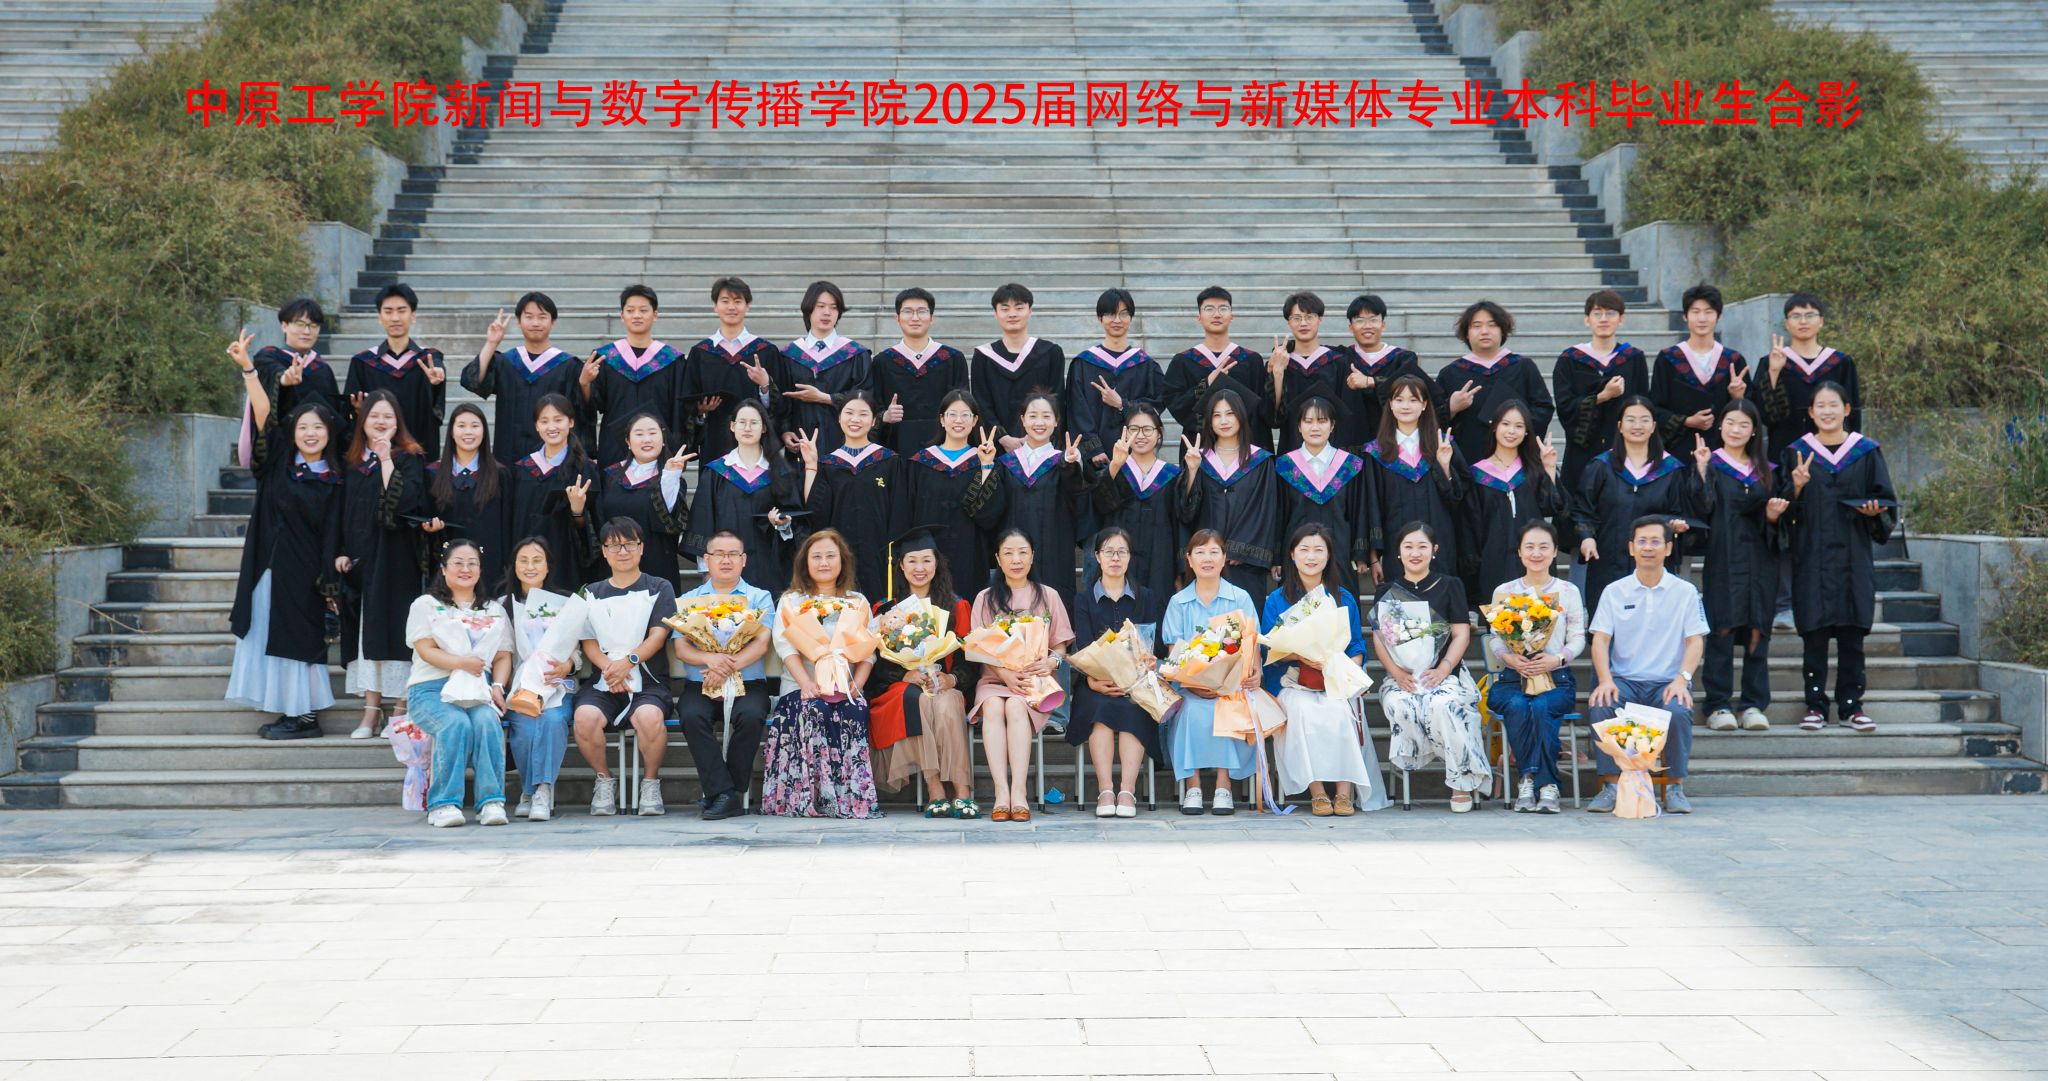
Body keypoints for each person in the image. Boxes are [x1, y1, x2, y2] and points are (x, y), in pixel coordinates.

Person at [223, 330, 344, 741]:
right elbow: (263, 414)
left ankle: (306, 717)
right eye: (303, 426)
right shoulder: (278, 462)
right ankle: (288, 710)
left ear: (329, 433)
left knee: (300, 640)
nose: (310, 433)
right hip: (267, 564)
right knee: (266, 632)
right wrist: (249, 369)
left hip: (307, 572)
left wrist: (330, 579)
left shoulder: (336, 479)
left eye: (318, 427)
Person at [1779, 382, 1895, 733]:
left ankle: (1851, 706)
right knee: (1814, 634)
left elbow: (1885, 499)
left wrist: (1875, 513)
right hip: (1811, 555)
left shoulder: (1866, 451)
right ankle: (1815, 706)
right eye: (1820, 406)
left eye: (1833, 405)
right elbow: (1781, 508)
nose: (1827, 411)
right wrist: (1796, 487)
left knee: (1851, 635)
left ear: (1846, 409)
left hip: (1852, 556)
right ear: (1811, 412)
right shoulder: (1797, 453)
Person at [1586, 516, 1708, 815]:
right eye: (1641, 541)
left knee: (1678, 709)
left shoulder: (1685, 592)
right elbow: (1600, 640)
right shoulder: (1615, 591)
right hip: (1625, 681)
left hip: (1667, 682)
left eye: (1655, 542)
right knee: (1602, 703)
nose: (1648, 548)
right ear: (1631, 548)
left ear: (1668, 548)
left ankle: (1675, 787)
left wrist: (1682, 679)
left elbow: (1695, 641)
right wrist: (1605, 680)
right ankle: (1610, 786)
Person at [1263, 523, 1385, 815]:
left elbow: (1356, 646)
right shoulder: (1277, 600)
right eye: (1304, 549)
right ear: (1292, 554)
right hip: (1293, 680)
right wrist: (1302, 656)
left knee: (1340, 709)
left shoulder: (1342, 598)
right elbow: (1269, 648)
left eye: (1319, 550)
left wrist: (1342, 669)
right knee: (1301, 711)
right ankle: (1317, 792)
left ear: (1329, 556)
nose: (1311, 556)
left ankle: (1344, 792)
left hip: (1333, 678)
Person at [761, 529, 882, 818]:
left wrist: (857, 686)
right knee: (815, 708)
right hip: (800, 687)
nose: (824, 562)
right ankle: (810, 798)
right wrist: (805, 683)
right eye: (816, 556)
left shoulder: (857, 601)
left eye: (830, 556)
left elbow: (869, 650)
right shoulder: (791, 601)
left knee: (855, 710)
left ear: (842, 561)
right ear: (805, 562)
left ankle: (851, 799)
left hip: (845, 686)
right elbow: (785, 647)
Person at [1371, 522, 1488, 812]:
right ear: (1398, 552)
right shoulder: (1387, 591)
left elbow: (1461, 634)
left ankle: (1460, 782)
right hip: (1403, 676)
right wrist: (1397, 673)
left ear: (1434, 550)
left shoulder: (1450, 585)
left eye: (1422, 546)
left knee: (1444, 705)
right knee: (1400, 704)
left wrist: (1443, 669)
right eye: (1408, 546)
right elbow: (1379, 639)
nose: (1415, 553)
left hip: (1445, 674)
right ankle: (1440, 756)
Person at [569, 517, 679, 817]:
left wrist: (628, 663)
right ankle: (604, 780)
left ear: (641, 548)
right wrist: (610, 669)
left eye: (629, 544)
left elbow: (658, 635)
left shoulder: (659, 587)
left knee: (649, 717)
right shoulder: (591, 591)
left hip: (649, 680)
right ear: (604, 552)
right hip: (603, 680)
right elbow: (588, 641)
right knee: (584, 718)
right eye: (614, 546)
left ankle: (650, 783)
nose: (623, 551)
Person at [867, 527, 977, 818]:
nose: (920, 568)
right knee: (920, 700)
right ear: (901, 566)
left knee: (946, 703)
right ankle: (935, 790)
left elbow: (969, 660)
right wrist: (904, 676)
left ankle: (962, 791)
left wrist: (952, 678)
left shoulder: (957, 606)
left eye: (926, 560)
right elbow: (876, 662)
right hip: (902, 688)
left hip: (945, 684)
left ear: (937, 563)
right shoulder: (885, 609)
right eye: (912, 561)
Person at [339, 389, 429, 741]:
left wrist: (386, 458)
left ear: (397, 422)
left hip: (398, 559)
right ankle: (371, 711)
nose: (380, 422)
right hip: (362, 560)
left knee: (398, 633)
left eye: (388, 416)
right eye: (374, 415)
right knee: (368, 634)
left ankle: (400, 710)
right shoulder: (352, 461)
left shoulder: (410, 457)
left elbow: (404, 503)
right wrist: (341, 550)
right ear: (363, 420)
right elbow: (341, 511)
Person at [404, 539, 513, 827]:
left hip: (477, 688)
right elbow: (425, 649)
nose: (466, 569)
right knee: (455, 723)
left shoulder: (493, 609)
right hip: (431, 689)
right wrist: (462, 663)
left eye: (472, 563)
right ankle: (443, 804)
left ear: (480, 569)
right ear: (443, 568)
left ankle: (491, 801)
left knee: (487, 722)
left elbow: (503, 655)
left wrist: (498, 686)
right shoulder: (426, 605)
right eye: (458, 563)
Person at [970, 528, 1076, 821]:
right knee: (994, 706)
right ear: (998, 559)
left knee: (1016, 706)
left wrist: (1052, 663)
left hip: (1034, 683)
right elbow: (976, 647)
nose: (1016, 559)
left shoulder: (1048, 596)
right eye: (1008, 553)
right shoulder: (985, 598)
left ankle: (1018, 793)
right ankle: (1000, 793)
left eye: (1022, 552)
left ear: (1032, 556)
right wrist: (1004, 674)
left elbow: (1061, 646)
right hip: (995, 679)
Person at [672, 530, 777, 821]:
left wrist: (725, 667)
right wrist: (710, 659)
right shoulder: (689, 600)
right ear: (706, 560)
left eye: (733, 554)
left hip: (749, 683)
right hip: (701, 682)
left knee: (752, 715)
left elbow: (762, 643)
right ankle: (726, 794)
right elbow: (681, 648)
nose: (726, 560)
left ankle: (723, 793)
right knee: (691, 714)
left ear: (744, 560)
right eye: (719, 554)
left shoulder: (759, 598)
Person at [1483, 520, 1586, 814]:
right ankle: (1538, 782)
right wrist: (1510, 658)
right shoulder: (1505, 591)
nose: (1536, 553)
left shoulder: (1568, 591)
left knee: (1540, 707)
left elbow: (1578, 637)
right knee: (1518, 704)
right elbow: (1495, 636)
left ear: (1554, 552)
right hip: (1512, 678)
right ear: (1519, 552)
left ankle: (1537, 781)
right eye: (1529, 547)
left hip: (1556, 678)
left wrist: (1558, 658)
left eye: (1543, 547)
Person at [1687, 399, 1778, 732]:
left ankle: (1753, 704)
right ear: (1720, 426)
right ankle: (1718, 705)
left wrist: (1774, 516)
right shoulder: (1710, 463)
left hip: (1761, 561)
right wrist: (1700, 471)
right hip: (1723, 558)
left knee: (1757, 631)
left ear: (1754, 430)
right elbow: (1702, 509)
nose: (1736, 430)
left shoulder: (1768, 470)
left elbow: (1783, 520)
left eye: (1743, 425)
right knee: (1722, 629)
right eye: (1730, 423)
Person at [1160, 530, 1261, 814]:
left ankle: (1222, 786)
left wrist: (1254, 672)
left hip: (1232, 686)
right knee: (1191, 709)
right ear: (1189, 559)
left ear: (1224, 558)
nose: (1207, 559)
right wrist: (1194, 684)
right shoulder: (1178, 603)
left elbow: (1251, 644)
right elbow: (1175, 657)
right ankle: (1193, 786)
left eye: (1214, 552)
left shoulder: (1240, 598)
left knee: (1224, 707)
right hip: (1189, 686)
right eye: (1200, 552)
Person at [1572, 395, 1699, 617]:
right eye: (1630, 419)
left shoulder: (1671, 470)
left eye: (1644, 420)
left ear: (1654, 426)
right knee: (1606, 623)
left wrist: (1675, 526)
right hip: (1607, 560)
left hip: (1653, 562)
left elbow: (1678, 512)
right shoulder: (1601, 466)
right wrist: (1587, 537)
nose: (1637, 425)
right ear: (1620, 426)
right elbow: (1583, 509)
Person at [1068, 527, 1164, 819]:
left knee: (1134, 709)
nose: (1115, 558)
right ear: (1096, 557)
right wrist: (1093, 681)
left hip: (1136, 684)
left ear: (1130, 557)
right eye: (1108, 551)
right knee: (1100, 710)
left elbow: (1150, 644)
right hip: (1095, 684)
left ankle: (1127, 791)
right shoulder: (1084, 600)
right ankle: (1106, 790)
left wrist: (1147, 664)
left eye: (1122, 551)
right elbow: (1084, 646)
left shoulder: (1145, 597)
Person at [1551, 289, 1649, 542]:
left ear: (1621, 319)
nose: (1604, 318)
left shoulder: (1634, 358)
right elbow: (1565, 408)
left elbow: (1643, 406)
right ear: (1587, 319)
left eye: (1611, 313)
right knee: (1580, 521)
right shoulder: (1570, 359)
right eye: (1597, 313)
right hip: (1583, 452)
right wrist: (1603, 396)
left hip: (1625, 453)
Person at [683, 398, 805, 595]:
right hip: (725, 565)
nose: (747, 428)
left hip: (769, 563)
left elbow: (796, 520)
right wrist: (706, 569)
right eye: (742, 422)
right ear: (732, 426)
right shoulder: (716, 472)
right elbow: (702, 520)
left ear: (764, 428)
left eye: (754, 423)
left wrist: (782, 525)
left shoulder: (780, 472)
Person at [804, 391, 909, 603]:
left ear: (874, 420)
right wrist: (811, 465)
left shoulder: (889, 461)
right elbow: (816, 513)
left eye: (863, 414)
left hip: (880, 556)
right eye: (849, 413)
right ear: (839, 417)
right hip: (839, 556)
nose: (855, 419)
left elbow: (900, 513)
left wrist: (894, 555)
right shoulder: (829, 464)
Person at [1176, 388, 1279, 603]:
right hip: (1205, 562)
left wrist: (1239, 549)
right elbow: (1185, 512)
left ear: (1241, 416)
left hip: (1244, 565)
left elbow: (1264, 510)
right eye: (1217, 415)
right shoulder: (1198, 459)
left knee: (1242, 621)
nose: (1223, 421)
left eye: (1230, 413)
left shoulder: (1261, 461)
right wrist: (1192, 471)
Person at [991, 391, 1093, 605]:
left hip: (1054, 552)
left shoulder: (1064, 461)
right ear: (1023, 420)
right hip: (1015, 553)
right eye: (1033, 416)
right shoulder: (1006, 463)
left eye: (1046, 416)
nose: (1039, 422)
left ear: (1056, 421)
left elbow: (1076, 495)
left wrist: (1072, 466)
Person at [501, 537, 576, 822]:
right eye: (523, 561)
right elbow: (501, 653)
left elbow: (578, 650)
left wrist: (568, 664)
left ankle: (542, 790)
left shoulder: (565, 603)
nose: (530, 566)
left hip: (557, 684)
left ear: (548, 567)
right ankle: (528, 790)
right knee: (525, 726)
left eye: (537, 560)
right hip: (521, 686)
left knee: (553, 720)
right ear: (514, 566)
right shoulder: (502, 605)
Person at [1461, 398, 1565, 604]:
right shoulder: (1477, 475)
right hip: (1493, 562)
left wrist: (1550, 469)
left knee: (1539, 619)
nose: (1511, 431)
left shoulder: (1534, 469)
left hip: (1534, 561)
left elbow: (1552, 507)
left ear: (1526, 432)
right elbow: (1470, 528)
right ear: (1494, 427)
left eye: (1519, 426)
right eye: (1506, 424)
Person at [1362, 375, 1465, 581]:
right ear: (1390, 404)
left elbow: (1459, 502)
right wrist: (1373, 558)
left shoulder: (1442, 445)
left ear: (1424, 404)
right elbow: (1372, 507)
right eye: (1399, 400)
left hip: (1440, 544)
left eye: (1413, 400)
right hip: (1394, 547)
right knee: (1400, 598)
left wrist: (1444, 468)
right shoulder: (1377, 452)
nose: (1405, 406)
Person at [905, 390, 1004, 597]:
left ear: (974, 420)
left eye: (965, 415)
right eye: (952, 414)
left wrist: (986, 467)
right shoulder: (921, 462)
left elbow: (990, 516)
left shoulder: (983, 461)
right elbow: (908, 512)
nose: (958, 420)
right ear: (942, 419)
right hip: (928, 555)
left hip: (970, 553)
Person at [462, 291, 579, 465]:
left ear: (552, 321)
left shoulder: (567, 365)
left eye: (542, 317)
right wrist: (492, 343)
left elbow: (579, 411)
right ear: (519, 321)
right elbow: (472, 381)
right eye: (529, 317)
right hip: (508, 452)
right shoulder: (506, 362)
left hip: (552, 455)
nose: (535, 323)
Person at [577, 283, 684, 469]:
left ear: (655, 315)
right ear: (622, 316)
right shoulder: (606, 357)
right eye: (630, 310)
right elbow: (593, 406)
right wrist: (584, 383)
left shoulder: (671, 360)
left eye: (643, 310)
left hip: (657, 448)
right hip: (614, 447)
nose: (637, 315)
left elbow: (679, 409)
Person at [682, 276, 788, 463]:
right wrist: (700, 410)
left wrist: (765, 385)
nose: (731, 307)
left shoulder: (766, 351)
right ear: (715, 306)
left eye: (738, 301)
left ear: (747, 306)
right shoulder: (700, 353)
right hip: (714, 441)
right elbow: (687, 403)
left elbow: (782, 406)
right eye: (725, 301)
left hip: (756, 443)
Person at [1277, 396, 1374, 596]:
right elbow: (1278, 514)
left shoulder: (1349, 465)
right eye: (1308, 421)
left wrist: (1360, 554)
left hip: (1340, 552)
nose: (1315, 427)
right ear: (1299, 426)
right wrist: (1276, 557)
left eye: (1322, 421)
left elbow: (1359, 511)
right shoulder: (1285, 466)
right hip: (1297, 553)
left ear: (1332, 426)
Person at [1438, 300, 1553, 466]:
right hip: (1469, 460)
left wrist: (1516, 426)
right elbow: (1431, 420)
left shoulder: (1523, 367)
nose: (1484, 331)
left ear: (1502, 330)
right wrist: (1451, 408)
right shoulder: (1450, 373)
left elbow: (1543, 408)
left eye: (1492, 325)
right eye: (1476, 326)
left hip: (1516, 461)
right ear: (1467, 333)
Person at [1758, 292, 1862, 474]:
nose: (1803, 321)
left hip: (1833, 455)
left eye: (1810, 315)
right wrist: (1774, 372)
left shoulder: (1840, 363)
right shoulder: (1770, 362)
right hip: (1784, 454)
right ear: (1786, 324)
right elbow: (1765, 416)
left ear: (1821, 321)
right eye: (1796, 316)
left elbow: (1852, 415)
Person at [1092, 402, 1183, 603]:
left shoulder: (1172, 475)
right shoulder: (1116, 470)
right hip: (1119, 561)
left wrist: (1180, 570)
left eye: (1147, 429)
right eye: (1134, 429)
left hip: (1160, 561)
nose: (1140, 435)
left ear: (1159, 433)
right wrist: (1115, 464)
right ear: (1125, 433)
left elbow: (1180, 524)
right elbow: (1099, 506)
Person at [507, 394, 599, 592]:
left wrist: (577, 512)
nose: (551, 427)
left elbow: (592, 529)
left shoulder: (584, 469)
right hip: (527, 562)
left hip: (567, 561)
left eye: (558, 420)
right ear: (536, 426)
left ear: (571, 422)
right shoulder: (523, 468)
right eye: (544, 421)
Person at [344, 283, 447, 458]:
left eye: (401, 311)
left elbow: (435, 408)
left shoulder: (428, 359)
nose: (395, 318)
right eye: (388, 311)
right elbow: (348, 414)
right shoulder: (362, 362)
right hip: (374, 455)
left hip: (419, 452)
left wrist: (437, 382)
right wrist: (357, 410)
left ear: (413, 315)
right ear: (379, 317)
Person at [1650, 283, 1751, 456]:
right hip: (1679, 451)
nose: (1702, 318)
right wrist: (1687, 421)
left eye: (1709, 312)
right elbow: (1655, 408)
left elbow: (1751, 412)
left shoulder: (1733, 361)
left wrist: (1738, 397)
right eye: (1695, 312)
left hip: (1724, 451)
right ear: (1685, 316)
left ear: (1718, 316)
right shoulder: (1668, 359)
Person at [595, 412, 694, 588]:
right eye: (639, 434)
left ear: (663, 440)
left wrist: (670, 475)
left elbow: (669, 519)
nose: (647, 439)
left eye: (653, 433)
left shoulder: (671, 477)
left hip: (657, 566)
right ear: (628, 441)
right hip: (615, 564)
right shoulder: (610, 475)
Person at [1164, 285, 1271, 447]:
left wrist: (1277, 374)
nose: (1216, 314)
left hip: (1244, 446)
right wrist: (1207, 383)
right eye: (1209, 309)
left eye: (1223, 308)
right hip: (1200, 446)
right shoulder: (1183, 361)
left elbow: (1261, 409)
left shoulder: (1251, 360)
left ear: (1232, 316)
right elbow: (1176, 404)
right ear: (1199, 316)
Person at [1064, 287, 1158, 468]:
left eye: (1123, 314)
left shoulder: (1145, 365)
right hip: (1095, 461)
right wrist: (1093, 449)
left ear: (1131, 318)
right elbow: (1076, 412)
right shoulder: (1083, 363)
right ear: (1100, 318)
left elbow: (1155, 408)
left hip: (1136, 454)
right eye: (1110, 314)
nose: (1117, 320)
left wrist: (1122, 404)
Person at [422, 404, 513, 587]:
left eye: (475, 425)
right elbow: (425, 516)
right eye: (461, 425)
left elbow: (508, 526)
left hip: (490, 566)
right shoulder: (433, 473)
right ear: (451, 431)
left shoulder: (500, 474)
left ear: (484, 431)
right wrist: (429, 528)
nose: (468, 432)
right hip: (447, 565)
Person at [779, 280, 872, 456]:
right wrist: (784, 430)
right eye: (820, 306)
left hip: (844, 441)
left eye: (833, 307)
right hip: (801, 443)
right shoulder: (789, 355)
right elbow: (782, 401)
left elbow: (865, 396)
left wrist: (826, 398)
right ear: (808, 309)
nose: (827, 312)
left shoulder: (855, 353)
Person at [872, 287, 968, 454]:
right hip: (897, 448)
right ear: (897, 318)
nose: (915, 318)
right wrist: (885, 416)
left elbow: (964, 405)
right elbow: (873, 406)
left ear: (932, 318)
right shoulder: (882, 362)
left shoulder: (953, 359)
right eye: (908, 311)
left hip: (945, 448)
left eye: (922, 311)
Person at [970, 282, 1066, 448]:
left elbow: (1057, 400)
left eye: (1019, 308)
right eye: (1005, 308)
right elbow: (981, 403)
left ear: (1030, 311)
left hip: (1042, 443)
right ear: (995, 314)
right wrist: (1002, 437)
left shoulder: (1051, 353)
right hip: (996, 447)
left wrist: (1036, 437)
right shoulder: (983, 357)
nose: (1012, 314)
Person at [1339, 293, 1439, 448]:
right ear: (1350, 327)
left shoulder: (1403, 359)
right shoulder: (1342, 358)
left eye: (1373, 319)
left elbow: (1414, 389)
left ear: (1383, 325)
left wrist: (1370, 381)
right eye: (1359, 320)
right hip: (1353, 441)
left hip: (1394, 441)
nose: (1367, 326)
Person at [1267, 291, 1354, 454]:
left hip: (1331, 452)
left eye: (1309, 317)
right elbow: (1274, 418)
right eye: (1296, 318)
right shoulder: (1280, 361)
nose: (1303, 323)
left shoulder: (1338, 362)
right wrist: (1277, 373)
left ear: (1320, 319)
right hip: (1291, 449)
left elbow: (1347, 416)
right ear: (1288, 322)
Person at [248, 297, 345, 425]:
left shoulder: (322, 369)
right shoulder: (268, 357)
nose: (307, 331)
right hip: (281, 435)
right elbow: (272, 376)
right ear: (284, 326)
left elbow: (335, 412)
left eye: (313, 326)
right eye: (300, 324)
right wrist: (284, 380)